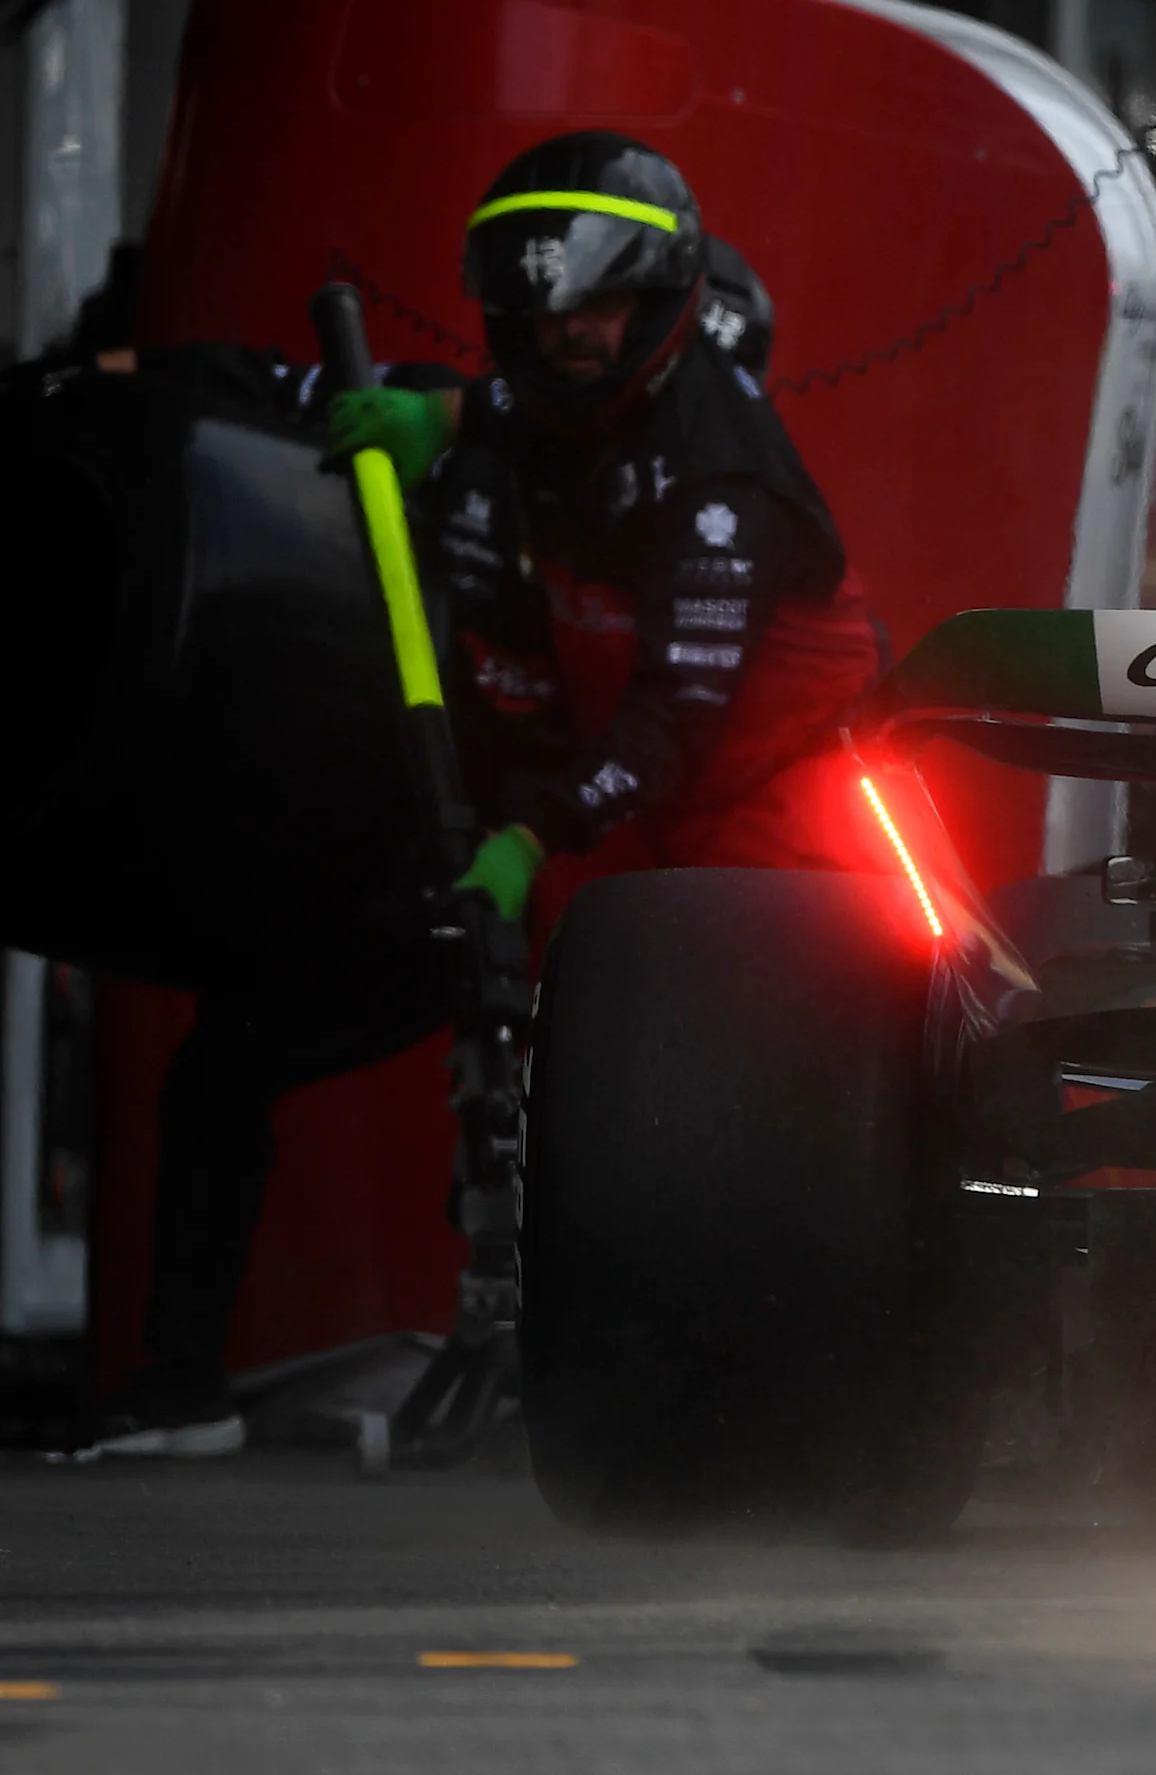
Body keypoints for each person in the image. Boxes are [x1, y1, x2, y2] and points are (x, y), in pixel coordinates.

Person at [88, 131, 885, 1456]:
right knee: (231, 1052)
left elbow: (676, 731)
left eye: (597, 312)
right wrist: (415, 416)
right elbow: (424, 403)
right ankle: (176, 1391)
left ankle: (735, 1408)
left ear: (666, 305)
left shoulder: (722, 488)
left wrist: (528, 838)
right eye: (539, 316)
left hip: (755, 844)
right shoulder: (524, 408)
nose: (567, 339)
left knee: (712, 1125)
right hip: (552, 819)